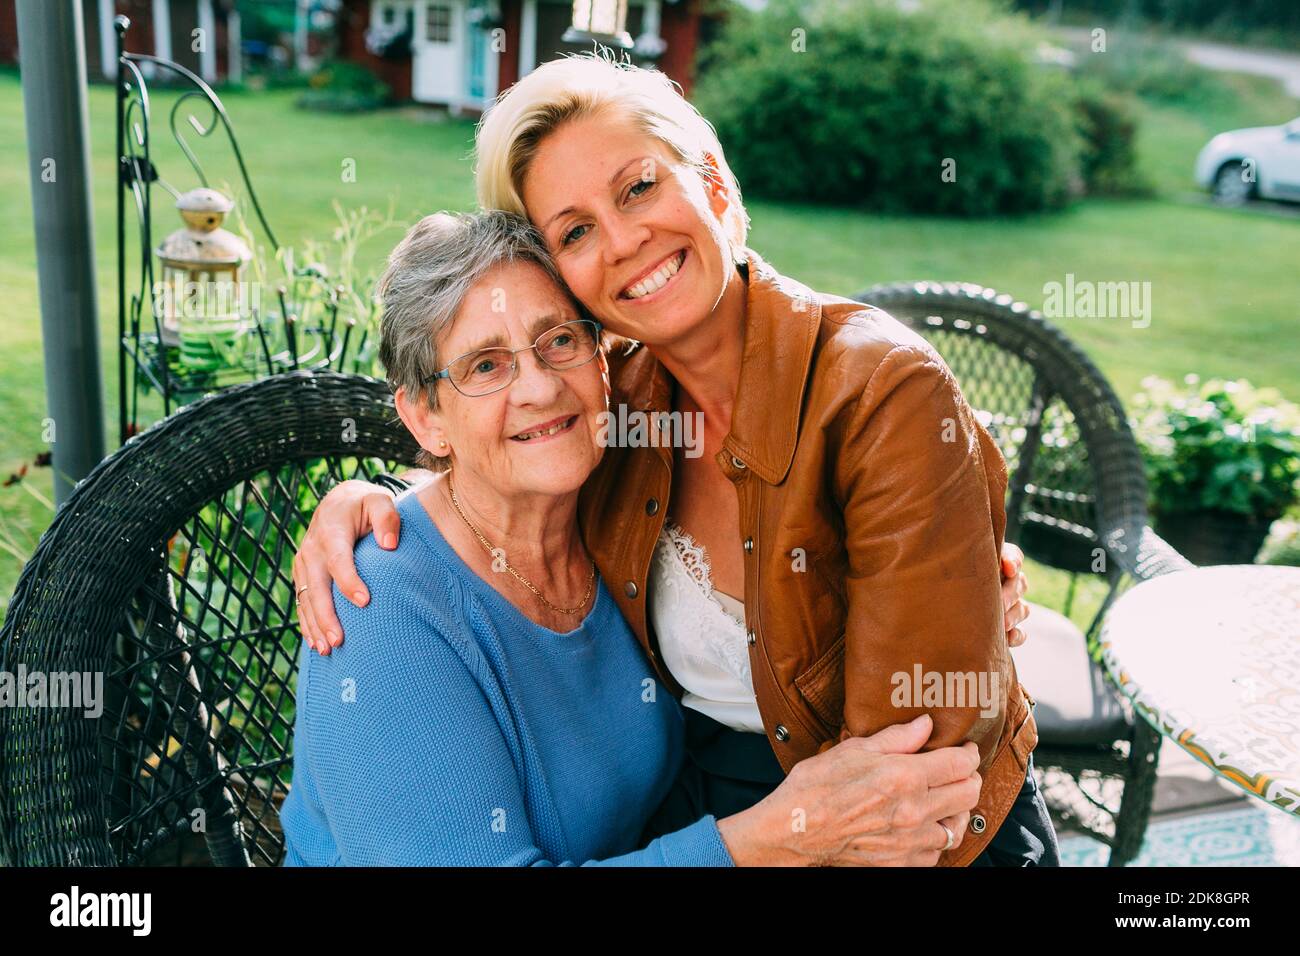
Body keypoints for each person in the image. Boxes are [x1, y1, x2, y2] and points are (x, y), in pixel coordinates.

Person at [293, 53, 1058, 866]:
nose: (623, 240)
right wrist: (364, 504)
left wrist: (964, 559)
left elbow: (904, 802)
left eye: (639, 187)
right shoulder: (617, 414)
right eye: (577, 230)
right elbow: (489, 497)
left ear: (716, 186)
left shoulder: (859, 396)